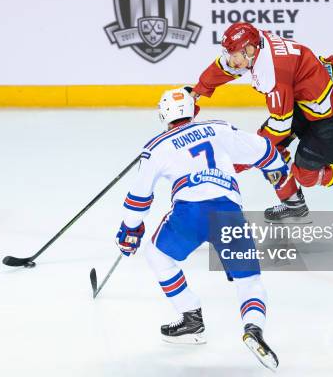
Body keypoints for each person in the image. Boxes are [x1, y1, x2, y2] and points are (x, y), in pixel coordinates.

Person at [114, 87, 287, 371]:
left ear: (164, 115)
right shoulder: (218, 128)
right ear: (193, 111)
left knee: (158, 256)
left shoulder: (155, 147)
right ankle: (254, 328)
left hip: (190, 212)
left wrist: (130, 231)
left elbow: (139, 198)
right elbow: (263, 150)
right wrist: (277, 171)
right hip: (229, 212)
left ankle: (191, 319)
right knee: (250, 280)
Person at [190, 22, 333, 223]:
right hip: (306, 104)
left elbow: (280, 127)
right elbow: (225, 68)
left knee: (304, 174)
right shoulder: (257, 41)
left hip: (331, 116)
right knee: (270, 150)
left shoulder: (271, 71)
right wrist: (197, 91)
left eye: (234, 55)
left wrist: (246, 156)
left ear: (249, 50)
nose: (231, 61)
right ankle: (293, 202)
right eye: (230, 54)